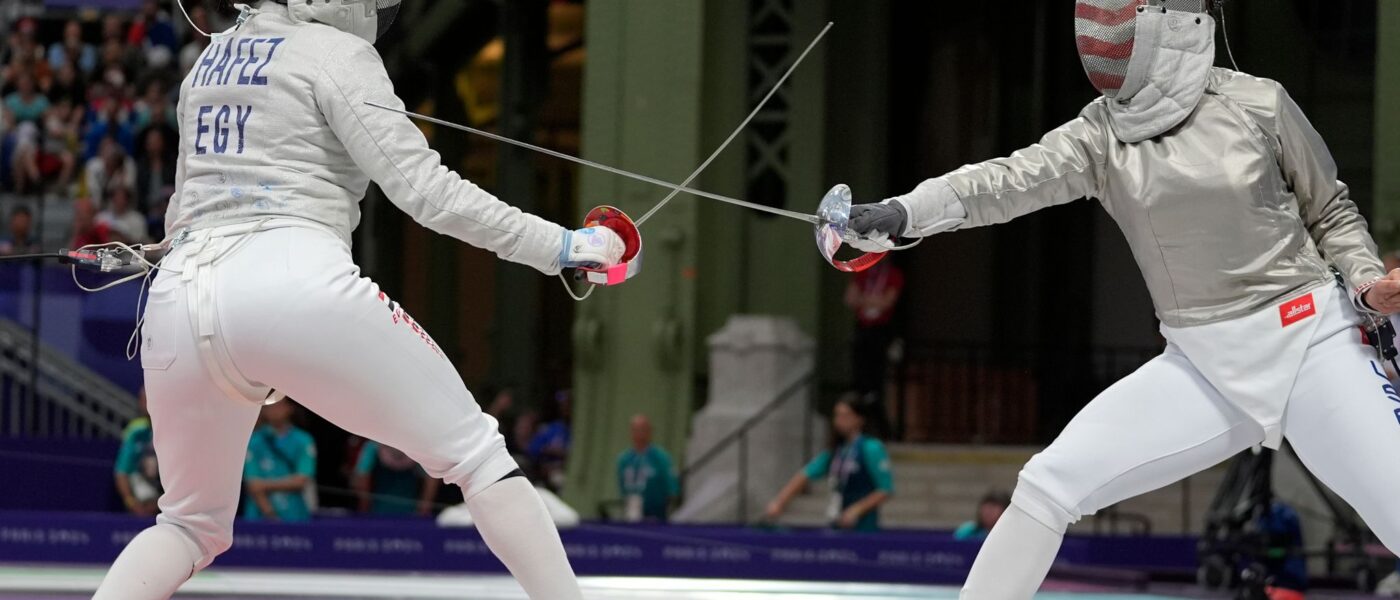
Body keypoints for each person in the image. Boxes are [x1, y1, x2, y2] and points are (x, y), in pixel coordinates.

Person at [846, 2, 1400, 597]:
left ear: (1168, 22)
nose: (1099, 36)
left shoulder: (1258, 101)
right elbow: (998, 182)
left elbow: (1330, 210)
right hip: (1203, 364)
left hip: (1312, 340)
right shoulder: (1100, 135)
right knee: (1048, 484)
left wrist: (1367, 283)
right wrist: (902, 214)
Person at [93, 1, 625, 598]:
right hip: (291, 281)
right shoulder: (337, 52)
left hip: (175, 301)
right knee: (476, 455)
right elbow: (428, 193)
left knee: (189, 524)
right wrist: (562, 246)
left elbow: (185, 206)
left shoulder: (211, 59)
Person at [765, 395, 894, 531]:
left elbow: (885, 489)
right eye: (837, 415)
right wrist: (779, 502)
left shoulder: (871, 447)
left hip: (862, 527)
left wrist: (856, 510)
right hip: (837, 520)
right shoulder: (837, 451)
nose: (839, 421)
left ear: (859, 419)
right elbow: (805, 474)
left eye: (845, 416)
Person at [242, 400, 316, 523]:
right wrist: (270, 514)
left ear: (290, 408)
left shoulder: (304, 440)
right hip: (258, 516)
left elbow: (301, 480)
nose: (274, 410)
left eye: (278, 405)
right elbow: (253, 484)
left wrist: (264, 484)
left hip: (294, 514)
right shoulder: (253, 441)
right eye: (269, 406)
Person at [844, 260, 903, 398]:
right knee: (859, 368)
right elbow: (849, 299)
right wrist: (873, 301)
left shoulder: (894, 274)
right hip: (863, 327)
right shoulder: (863, 272)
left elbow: (886, 302)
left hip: (881, 329)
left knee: (877, 370)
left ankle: (874, 399)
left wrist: (863, 300)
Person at [615, 414, 679, 523]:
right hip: (632, 512)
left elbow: (672, 489)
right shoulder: (624, 459)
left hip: (657, 514)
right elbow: (622, 487)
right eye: (636, 430)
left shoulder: (661, 458)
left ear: (649, 432)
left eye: (643, 429)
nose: (639, 434)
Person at [352, 441, 440, 517]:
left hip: (411, 513)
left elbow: (432, 478)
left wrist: (424, 509)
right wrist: (364, 507)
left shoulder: (420, 449)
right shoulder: (372, 447)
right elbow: (361, 476)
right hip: (377, 511)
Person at [114, 389, 161, 517]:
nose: (145, 404)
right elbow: (122, 472)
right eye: (142, 400)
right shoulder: (136, 430)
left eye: (149, 399)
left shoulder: (175, 428)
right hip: (145, 486)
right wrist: (131, 501)